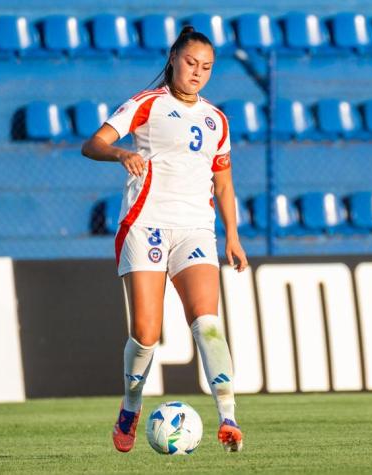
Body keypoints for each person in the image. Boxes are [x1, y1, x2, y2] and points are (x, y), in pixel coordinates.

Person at [81, 26, 247, 452]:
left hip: (195, 228)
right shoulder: (146, 104)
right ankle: (131, 404)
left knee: (207, 322)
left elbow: (224, 184)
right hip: (145, 224)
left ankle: (228, 417)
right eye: (191, 63)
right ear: (173, 58)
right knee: (147, 333)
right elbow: (93, 144)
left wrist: (232, 235)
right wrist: (121, 152)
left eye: (206, 67)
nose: (197, 73)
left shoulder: (217, 120)